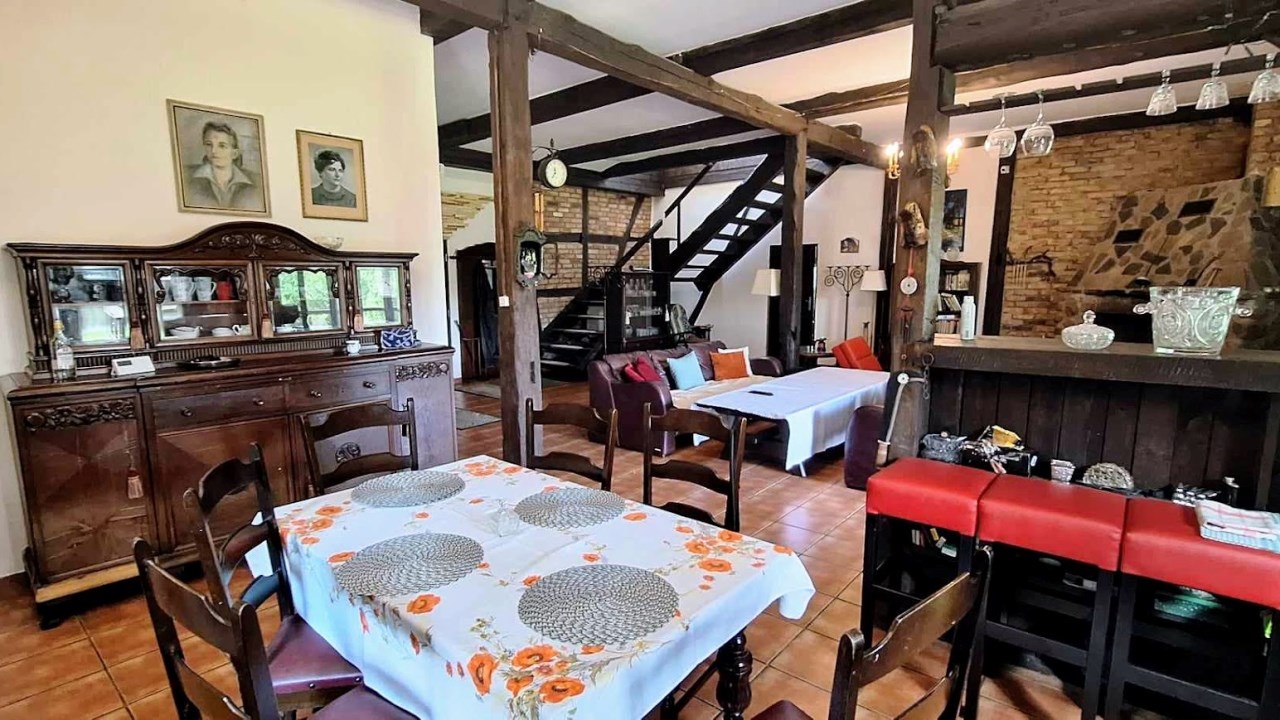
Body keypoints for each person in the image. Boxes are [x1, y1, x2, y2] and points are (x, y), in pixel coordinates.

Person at [183, 121, 265, 211]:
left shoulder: (256, 181)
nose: (213, 151)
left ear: (234, 153)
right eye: (209, 144)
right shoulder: (187, 177)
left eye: (222, 146)